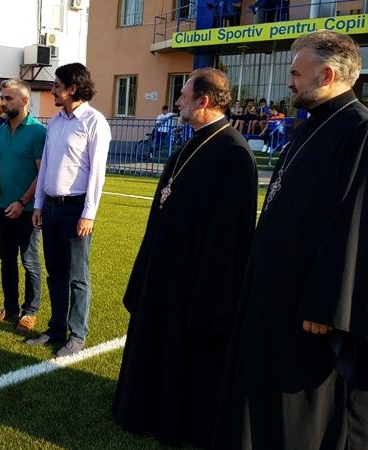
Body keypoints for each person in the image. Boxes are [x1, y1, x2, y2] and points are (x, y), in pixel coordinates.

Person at [214, 30, 368, 449]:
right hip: (278, 291)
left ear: (327, 74)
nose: (289, 82)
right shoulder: (310, 127)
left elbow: (358, 226)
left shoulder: (364, 132)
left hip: (313, 308)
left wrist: (329, 304)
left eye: (296, 73)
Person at [112, 68, 257, 448]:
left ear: (203, 101)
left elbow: (229, 238)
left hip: (194, 280)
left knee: (184, 353)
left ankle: (175, 421)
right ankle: (143, 410)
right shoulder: (190, 145)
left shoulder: (234, 154)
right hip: (164, 269)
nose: (177, 102)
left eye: (183, 95)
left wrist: (208, 294)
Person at [25, 63, 111, 357]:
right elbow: (47, 166)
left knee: (77, 276)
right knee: (56, 273)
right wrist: (39, 204)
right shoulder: (56, 121)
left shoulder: (94, 122)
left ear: (72, 89)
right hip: (50, 208)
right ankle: (56, 329)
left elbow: (97, 173)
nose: (52, 91)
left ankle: (77, 335)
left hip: (75, 210)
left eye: (56, 86)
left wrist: (89, 213)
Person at [0, 79, 45, 332]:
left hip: (27, 211)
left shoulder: (38, 132)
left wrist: (22, 201)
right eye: (2, 98)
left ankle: (30, 312)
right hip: (3, 208)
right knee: (7, 260)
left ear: (24, 101)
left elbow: (42, 174)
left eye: (8, 98)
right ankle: (10, 308)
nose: (3, 103)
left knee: (29, 262)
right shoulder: (2, 130)